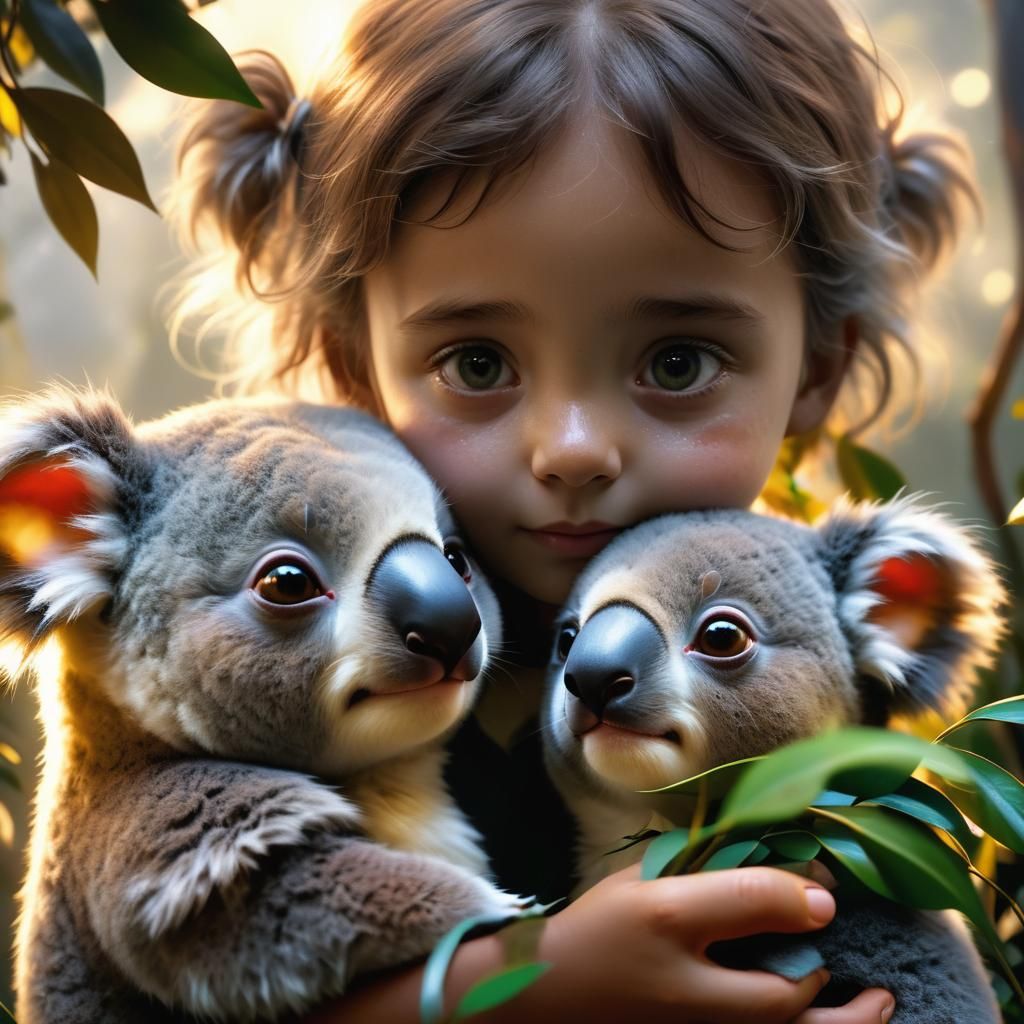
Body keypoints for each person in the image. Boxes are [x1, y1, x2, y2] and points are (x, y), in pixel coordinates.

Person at [167, 1, 976, 1020]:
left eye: (677, 362)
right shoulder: (260, 658)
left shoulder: (816, 679)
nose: (573, 448)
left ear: (820, 362)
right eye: (477, 362)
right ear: (351, 361)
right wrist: (517, 988)